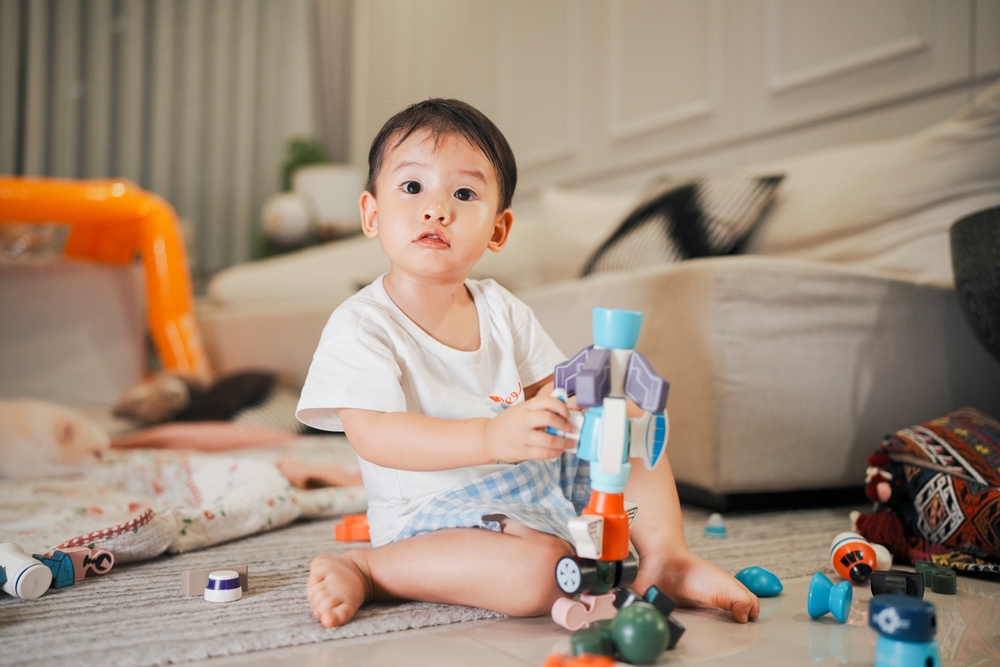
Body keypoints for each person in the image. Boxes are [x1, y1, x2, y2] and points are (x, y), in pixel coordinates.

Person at [296, 98, 759, 629]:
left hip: (531, 487)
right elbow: (375, 436)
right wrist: (492, 438)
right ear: (371, 214)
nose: (437, 208)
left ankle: (666, 558)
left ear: (497, 229)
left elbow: (549, 392)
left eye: (464, 193)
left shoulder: (499, 306)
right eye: (412, 187)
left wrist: (580, 406)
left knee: (623, 418)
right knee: (544, 573)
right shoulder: (362, 325)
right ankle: (370, 568)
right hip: (430, 516)